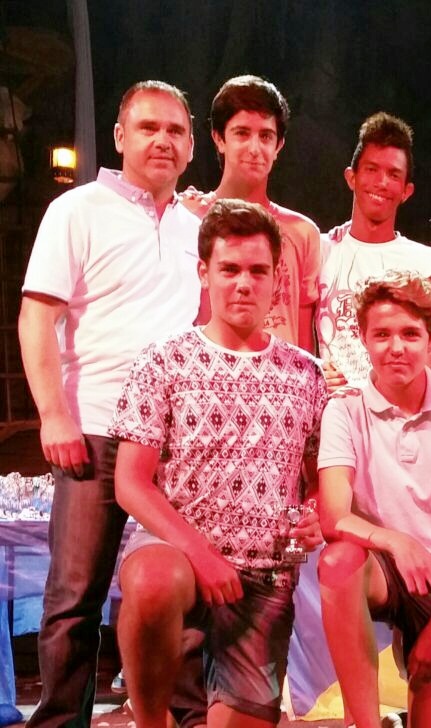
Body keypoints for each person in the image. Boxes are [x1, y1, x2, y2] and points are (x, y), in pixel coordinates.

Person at [17, 80, 201, 727]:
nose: (162, 140)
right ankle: (61, 721)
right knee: (74, 597)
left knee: (179, 586)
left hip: (175, 443)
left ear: (191, 146)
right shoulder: (78, 210)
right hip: (93, 429)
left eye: (175, 131)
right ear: (120, 137)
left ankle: (184, 716)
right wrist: (54, 414)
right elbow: (36, 318)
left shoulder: (195, 228)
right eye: (148, 127)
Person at [108, 198, 327, 727]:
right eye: (229, 269)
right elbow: (130, 483)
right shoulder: (163, 360)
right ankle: (150, 720)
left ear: (277, 278)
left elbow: (322, 480)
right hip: (179, 558)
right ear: (204, 273)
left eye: (257, 271)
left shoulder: (308, 373)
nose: (244, 283)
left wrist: (318, 512)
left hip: (263, 581)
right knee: (152, 581)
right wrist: (200, 553)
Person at [314, 271, 431, 728]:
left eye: (410, 334)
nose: (396, 347)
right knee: (338, 561)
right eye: (382, 334)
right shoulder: (345, 410)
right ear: (363, 339)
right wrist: (397, 542)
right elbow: (333, 517)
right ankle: (364, 723)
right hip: (383, 571)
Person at [184, 74, 322, 351]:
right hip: (207, 369)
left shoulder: (303, 233)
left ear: (278, 146)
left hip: (282, 375)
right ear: (219, 138)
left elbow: (304, 343)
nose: (255, 148)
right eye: (242, 133)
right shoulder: (188, 218)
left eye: (266, 136)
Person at [316, 113, 431, 385]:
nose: (382, 182)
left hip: (403, 407)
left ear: (406, 191)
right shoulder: (319, 250)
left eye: (393, 174)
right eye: (372, 169)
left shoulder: (429, 265)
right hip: (332, 406)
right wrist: (313, 372)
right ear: (351, 177)